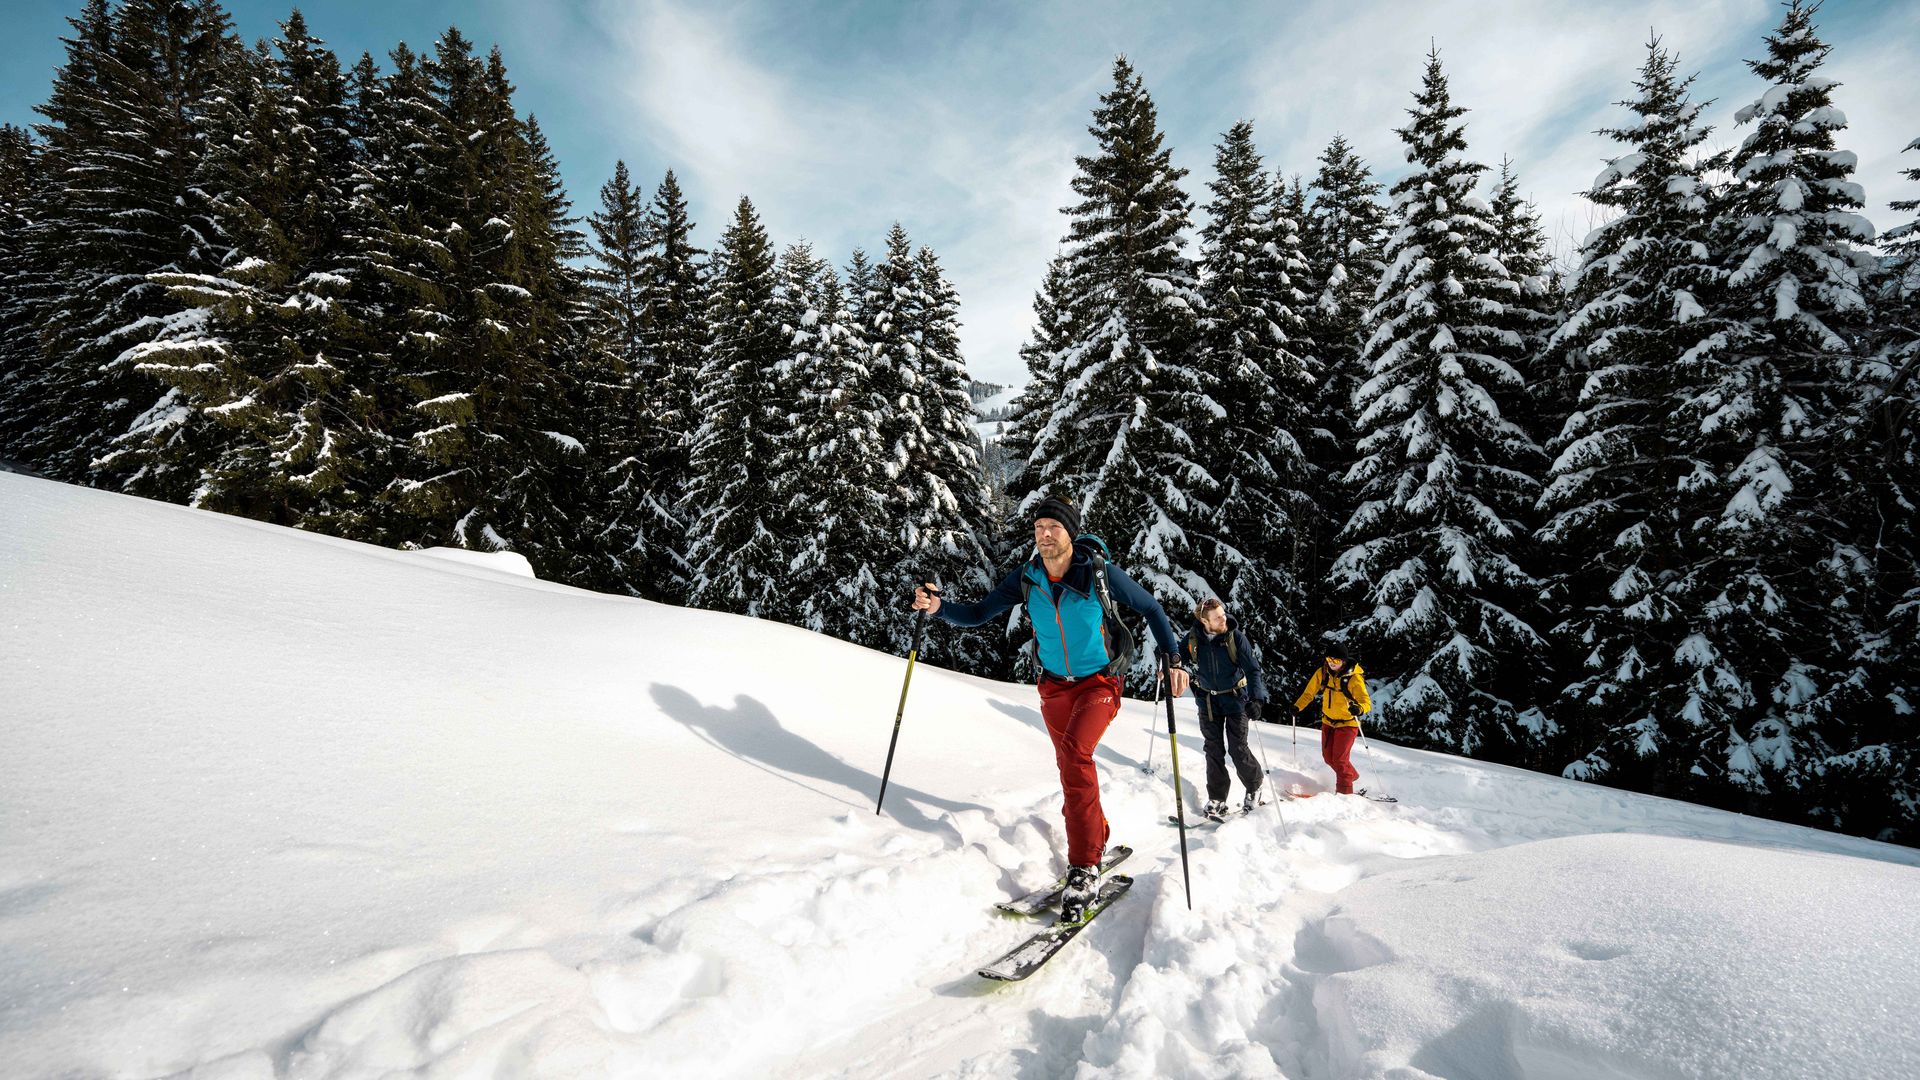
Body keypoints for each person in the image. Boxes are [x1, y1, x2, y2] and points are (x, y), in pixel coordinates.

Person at [911, 494, 1185, 923]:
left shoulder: (1098, 573)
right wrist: (939, 607)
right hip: (1053, 689)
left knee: (1077, 754)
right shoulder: (1028, 577)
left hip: (1100, 683)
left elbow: (1151, 607)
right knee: (1072, 768)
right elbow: (980, 612)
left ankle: (1084, 863)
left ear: (1070, 533)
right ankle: (1094, 836)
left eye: (1053, 527)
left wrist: (1173, 659)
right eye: (1039, 527)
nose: (1044, 534)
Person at [1181, 597, 1269, 819]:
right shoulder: (1193, 638)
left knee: (1237, 748)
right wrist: (1169, 664)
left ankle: (1254, 786)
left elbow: (1253, 669)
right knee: (1213, 749)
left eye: (1223, 614)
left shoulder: (1235, 637)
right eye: (1217, 617)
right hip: (1208, 701)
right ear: (1204, 621)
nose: (1224, 619)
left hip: (1236, 700)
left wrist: (1256, 699)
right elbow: (1176, 656)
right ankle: (1217, 798)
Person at [1293, 644, 1371, 795]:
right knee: (1329, 758)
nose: (1331, 662)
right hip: (1328, 722)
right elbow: (1309, 693)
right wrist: (1298, 706)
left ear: (1343, 660)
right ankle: (1350, 776)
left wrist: (1359, 709)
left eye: (1335, 659)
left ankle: (1344, 794)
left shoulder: (1354, 678)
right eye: (1328, 659)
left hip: (1347, 724)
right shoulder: (1323, 673)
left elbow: (1365, 701)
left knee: (1340, 760)